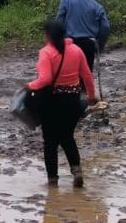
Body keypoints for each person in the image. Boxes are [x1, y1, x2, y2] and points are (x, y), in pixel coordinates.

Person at [27, 20, 98, 188]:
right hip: (72, 101)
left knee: (50, 142)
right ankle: (77, 172)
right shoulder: (76, 50)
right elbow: (87, 75)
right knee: (67, 137)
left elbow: (45, 79)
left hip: (51, 102)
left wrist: (29, 86)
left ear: (48, 35)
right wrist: (91, 96)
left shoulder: (46, 52)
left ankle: (52, 181)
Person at [56, 0, 110, 71]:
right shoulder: (97, 6)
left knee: (71, 74)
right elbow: (106, 27)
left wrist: (58, 42)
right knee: (86, 74)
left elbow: (59, 21)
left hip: (70, 43)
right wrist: (99, 46)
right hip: (89, 44)